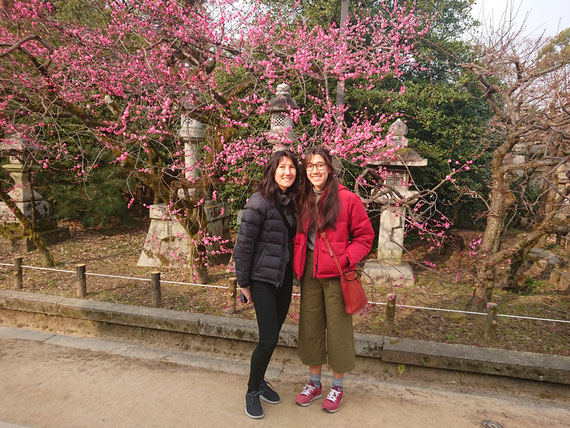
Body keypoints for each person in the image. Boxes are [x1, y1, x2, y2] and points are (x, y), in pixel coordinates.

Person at [292, 147, 374, 413]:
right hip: (309, 274)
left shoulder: (347, 199)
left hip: (338, 275)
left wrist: (346, 259)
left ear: (330, 168)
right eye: (310, 166)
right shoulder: (301, 198)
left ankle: (337, 386)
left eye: (320, 165)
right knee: (310, 328)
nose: (315, 170)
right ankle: (314, 383)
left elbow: (365, 236)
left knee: (339, 331)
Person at [234, 149, 299, 419]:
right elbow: (244, 244)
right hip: (261, 279)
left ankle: (260, 381)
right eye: (282, 167)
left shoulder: (292, 201)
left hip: (282, 278)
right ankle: (252, 390)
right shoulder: (258, 202)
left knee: (273, 337)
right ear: (272, 171)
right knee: (268, 338)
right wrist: (243, 282)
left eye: (292, 167)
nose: (287, 172)